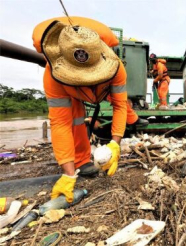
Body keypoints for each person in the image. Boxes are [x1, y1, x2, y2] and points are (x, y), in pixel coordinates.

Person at [33, 18, 128, 203]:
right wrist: (68, 175)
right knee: (74, 120)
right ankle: (76, 163)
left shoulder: (117, 69)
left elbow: (120, 105)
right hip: (72, 93)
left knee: (85, 120)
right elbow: (60, 123)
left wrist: (115, 144)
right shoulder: (53, 76)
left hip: (99, 93)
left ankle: (83, 160)